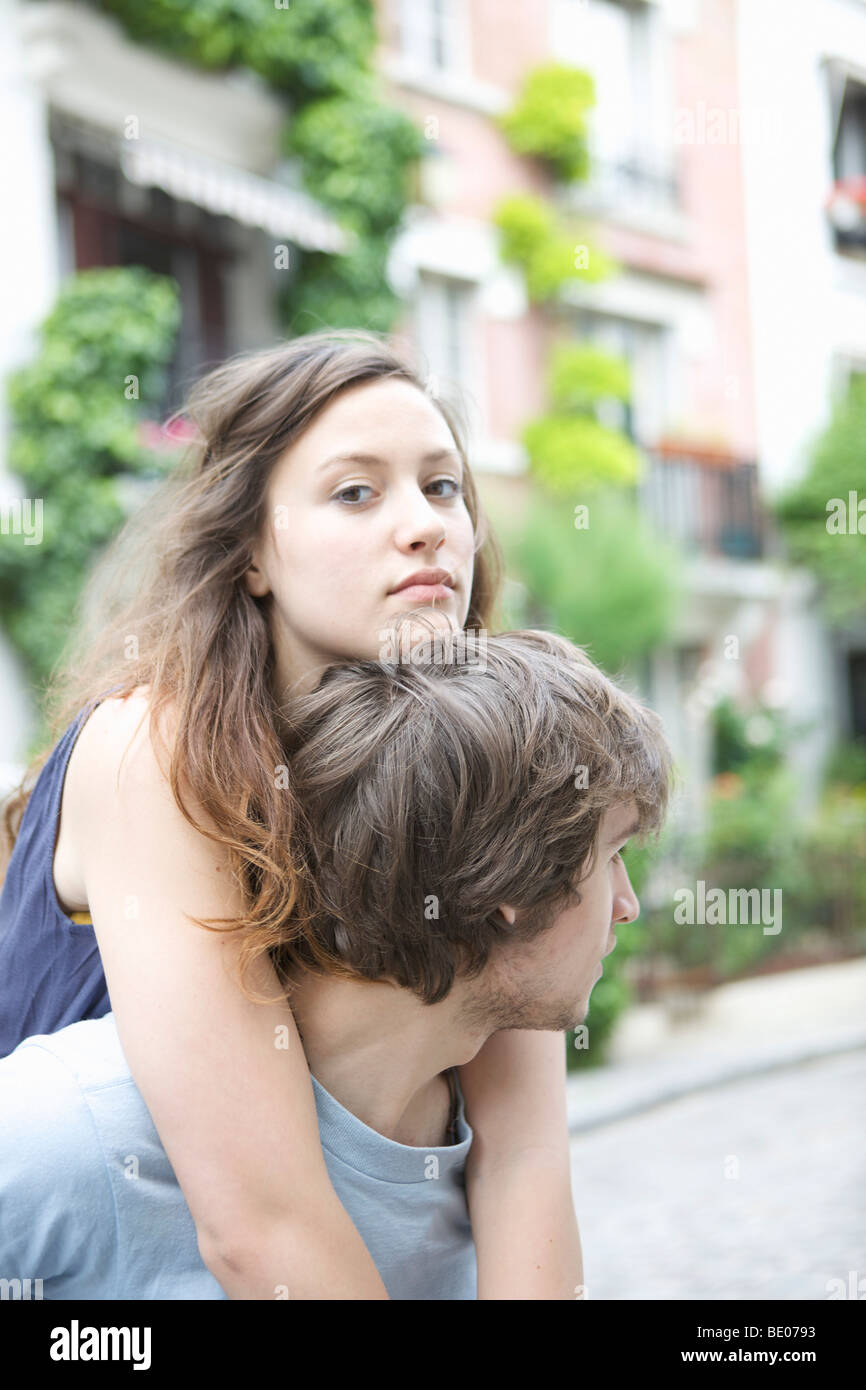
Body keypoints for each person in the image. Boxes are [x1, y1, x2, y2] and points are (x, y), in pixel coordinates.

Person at [0, 330, 588, 1298]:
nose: (424, 525)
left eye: (443, 488)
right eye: (355, 492)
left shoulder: (478, 767)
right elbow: (260, 1227)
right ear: (252, 555)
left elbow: (523, 1160)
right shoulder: (157, 755)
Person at [0, 626, 673, 1299]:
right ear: (508, 889)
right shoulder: (70, 1125)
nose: (627, 903)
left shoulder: (489, 1147)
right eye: (612, 855)